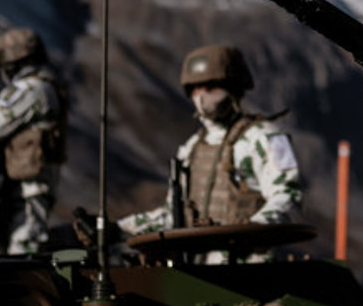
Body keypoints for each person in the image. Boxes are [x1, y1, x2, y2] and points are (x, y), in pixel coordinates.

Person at [115, 45, 303, 264]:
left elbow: (287, 195)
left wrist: (253, 228)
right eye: (195, 88)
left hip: (248, 271)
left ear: (232, 87)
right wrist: (118, 229)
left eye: (211, 86)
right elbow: (172, 216)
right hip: (195, 270)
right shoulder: (191, 148)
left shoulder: (264, 138)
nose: (202, 95)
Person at [0, 27, 68, 255]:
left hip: (28, 190)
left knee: (21, 255)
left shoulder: (32, 89)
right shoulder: (43, 86)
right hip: (18, 188)